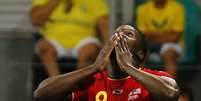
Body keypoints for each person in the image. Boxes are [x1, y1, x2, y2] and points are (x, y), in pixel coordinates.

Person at [33, 25, 179, 101]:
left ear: (140, 53)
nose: (119, 36)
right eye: (115, 34)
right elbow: (42, 94)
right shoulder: (91, 82)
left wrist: (128, 67)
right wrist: (93, 67)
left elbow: (170, 94)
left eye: (128, 34)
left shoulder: (154, 78)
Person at [30, 0, 109, 77]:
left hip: (84, 40)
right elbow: (35, 20)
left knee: (90, 50)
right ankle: (57, 83)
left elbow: (103, 23)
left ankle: (78, 84)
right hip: (53, 40)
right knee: (44, 47)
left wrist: (108, 48)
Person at [137, 0, 185, 76]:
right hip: (149, 43)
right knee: (139, 55)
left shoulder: (177, 7)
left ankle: (169, 86)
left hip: (171, 44)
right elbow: (143, 36)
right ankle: (139, 86)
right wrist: (167, 34)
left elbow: (175, 37)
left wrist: (152, 34)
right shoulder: (142, 9)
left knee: (169, 54)